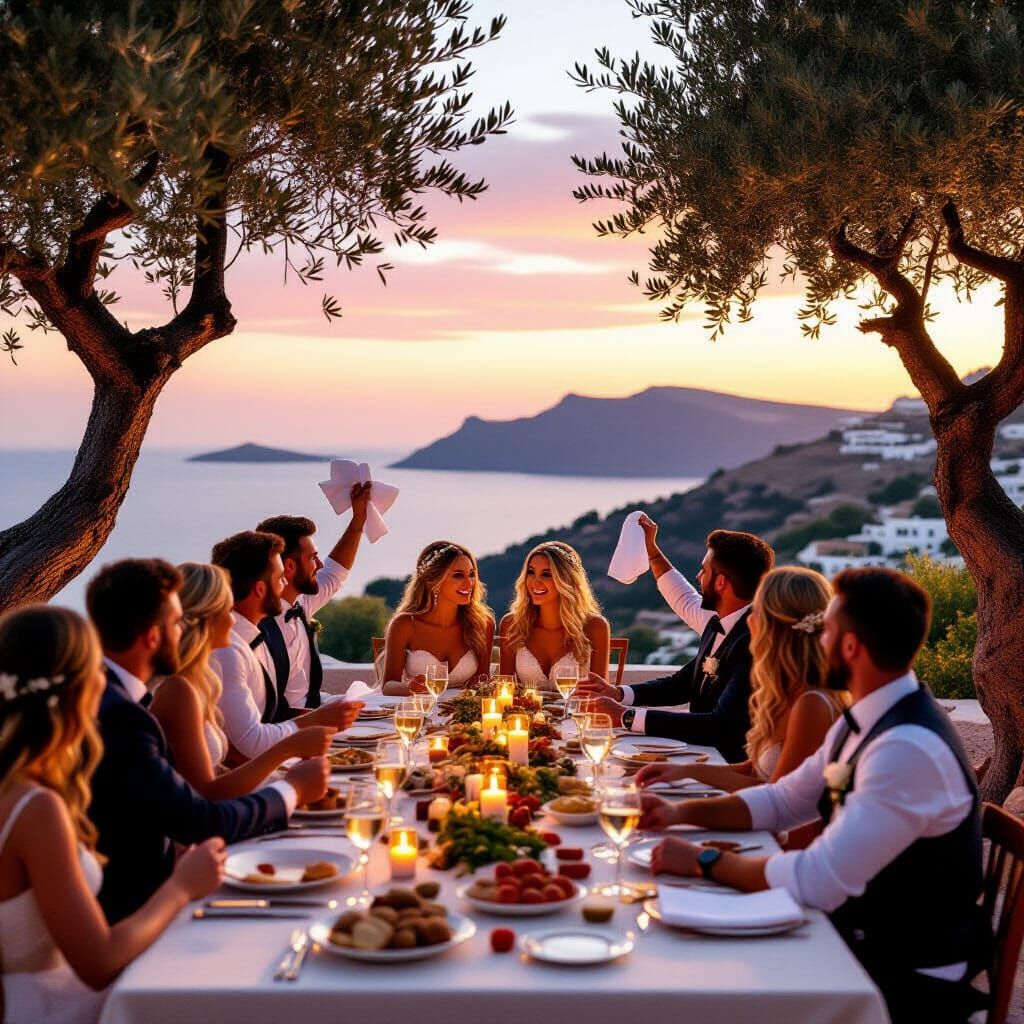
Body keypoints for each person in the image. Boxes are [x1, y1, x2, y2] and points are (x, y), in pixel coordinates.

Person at [638, 568, 990, 1024]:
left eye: (827, 629)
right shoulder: (863, 720)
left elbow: (818, 879)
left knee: (700, 981)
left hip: (903, 976)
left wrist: (706, 862)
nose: (816, 637)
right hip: (858, 933)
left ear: (849, 647)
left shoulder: (905, 749)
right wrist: (677, 811)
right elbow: (784, 800)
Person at [0, 605, 226, 1024]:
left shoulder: (20, 787)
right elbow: (99, 961)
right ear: (77, 689)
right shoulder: (36, 807)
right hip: (59, 1009)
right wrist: (182, 886)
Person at [86, 558, 330, 922]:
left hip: (178, 864)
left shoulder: (121, 693)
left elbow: (200, 788)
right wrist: (290, 790)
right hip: (139, 898)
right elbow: (201, 812)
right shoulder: (126, 711)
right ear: (154, 635)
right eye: (174, 620)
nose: (233, 621)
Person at [636, 567, 846, 806]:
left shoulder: (812, 703)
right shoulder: (782, 690)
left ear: (776, 625)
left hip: (778, 837)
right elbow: (750, 770)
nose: (749, 619)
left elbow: (779, 797)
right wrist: (682, 772)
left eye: (758, 610)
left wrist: (683, 809)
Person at [578, 518, 774, 761]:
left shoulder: (753, 642)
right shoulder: (718, 624)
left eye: (704, 570)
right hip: (698, 752)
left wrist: (627, 717)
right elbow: (684, 683)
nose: (698, 576)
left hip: (726, 764)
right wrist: (618, 693)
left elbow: (722, 725)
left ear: (721, 582)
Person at [150, 562, 336, 799]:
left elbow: (222, 767)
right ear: (206, 618)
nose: (233, 620)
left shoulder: (201, 679)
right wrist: (289, 764)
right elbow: (207, 793)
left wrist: (283, 778)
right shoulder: (179, 689)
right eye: (228, 610)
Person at [209, 531, 362, 759]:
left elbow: (273, 713)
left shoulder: (254, 635)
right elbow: (248, 742)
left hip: (271, 756)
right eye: (280, 578)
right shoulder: (228, 649)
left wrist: (332, 711)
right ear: (260, 589)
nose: (284, 586)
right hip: (250, 769)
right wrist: (317, 719)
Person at [256, 481, 371, 715]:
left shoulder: (301, 603)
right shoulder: (255, 627)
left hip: (315, 715)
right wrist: (322, 718)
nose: (319, 565)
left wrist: (358, 520)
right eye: (313, 558)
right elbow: (262, 714)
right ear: (289, 566)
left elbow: (336, 572)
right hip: (288, 733)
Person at [381, 541, 495, 695]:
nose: (469, 583)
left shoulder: (483, 623)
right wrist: (411, 688)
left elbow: (482, 677)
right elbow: (388, 685)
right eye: (458, 575)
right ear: (433, 581)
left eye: (472, 574)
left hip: (458, 713)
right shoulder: (405, 624)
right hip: (419, 710)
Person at [498, 541, 610, 691]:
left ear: (566, 580)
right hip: (526, 713)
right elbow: (504, 688)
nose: (535, 581)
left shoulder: (596, 626)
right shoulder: (512, 624)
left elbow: (600, 692)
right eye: (531, 572)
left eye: (546, 574)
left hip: (575, 714)